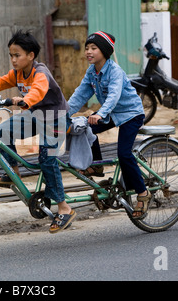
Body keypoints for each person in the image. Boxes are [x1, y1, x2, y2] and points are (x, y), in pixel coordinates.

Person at [0, 30, 76, 233]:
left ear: (31, 55)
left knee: (47, 159)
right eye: (11, 55)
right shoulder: (17, 74)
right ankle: (13, 171)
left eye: (17, 55)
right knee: (2, 132)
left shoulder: (40, 72)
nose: (13, 59)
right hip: (35, 114)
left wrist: (26, 100)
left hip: (55, 118)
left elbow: (39, 90)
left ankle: (64, 208)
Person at [68, 31, 151, 219]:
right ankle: (96, 164)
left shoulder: (115, 71)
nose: (88, 52)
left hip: (131, 114)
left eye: (93, 48)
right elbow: (80, 95)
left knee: (124, 154)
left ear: (104, 51)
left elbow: (113, 96)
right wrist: (61, 114)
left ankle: (143, 193)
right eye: (87, 48)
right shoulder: (91, 72)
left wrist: (100, 114)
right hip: (112, 113)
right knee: (84, 128)